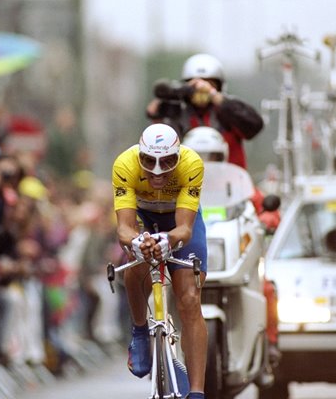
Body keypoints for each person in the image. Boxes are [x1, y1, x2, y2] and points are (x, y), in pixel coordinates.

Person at [112, 123, 207, 399]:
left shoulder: (192, 164)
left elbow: (185, 230)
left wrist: (167, 240)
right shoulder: (124, 164)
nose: (156, 170)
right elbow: (124, 229)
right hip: (143, 215)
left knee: (189, 299)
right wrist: (139, 242)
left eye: (166, 162)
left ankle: (198, 392)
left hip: (178, 218)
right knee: (136, 258)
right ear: (139, 155)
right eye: (148, 161)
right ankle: (140, 331)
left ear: (178, 156)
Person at [146, 53, 264, 169]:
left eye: (209, 84)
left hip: (230, 182)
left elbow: (254, 125)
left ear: (218, 87)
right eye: (195, 86)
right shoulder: (179, 112)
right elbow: (155, 115)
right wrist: (175, 94)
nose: (201, 90)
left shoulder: (230, 109)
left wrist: (213, 95)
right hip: (189, 182)